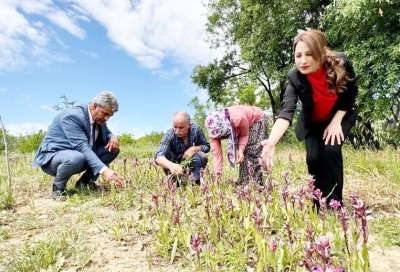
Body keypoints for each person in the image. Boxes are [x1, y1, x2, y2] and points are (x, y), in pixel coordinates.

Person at [261, 29, 358, 205]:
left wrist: (336, 122)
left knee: (331, 150)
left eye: (309, 54)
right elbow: (286, 112)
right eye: (298, 55)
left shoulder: (341, 62)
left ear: (322, 52)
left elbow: (352, 93)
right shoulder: (294, 77)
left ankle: (335, 205)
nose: (303, 61)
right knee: (313, 158)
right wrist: (271, 141)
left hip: (341, 115)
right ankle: (317, 201)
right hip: (314, 122)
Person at [33, 91, 124, 200]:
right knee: (76, 158)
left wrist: (113, 137)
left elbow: (107, 132)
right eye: (105, 114)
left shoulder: (98, 117)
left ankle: (85, 183)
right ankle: (58, 188)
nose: (107, 119)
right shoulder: (72, 116)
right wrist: (105, 171)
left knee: (112, 149)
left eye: (110, 115)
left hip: (79, 154)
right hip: (54, 157)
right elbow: (82, 146)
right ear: (95, 106)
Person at [205, 105, 268, 184]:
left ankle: (256, 182)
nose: (224, 138)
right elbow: (216, 153)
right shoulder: (213, 130)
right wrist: (218, 174)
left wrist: (240, 149)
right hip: (241, 124)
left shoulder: (238, 118)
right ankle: (244, 180)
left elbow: (244, 135)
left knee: (253, 149)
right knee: (245, 154)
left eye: (225, 135)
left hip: (256, 119)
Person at [154, 111, 210, 186]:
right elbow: (158, 156)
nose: (177, 131)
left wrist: (194, 148)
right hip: (175, 163)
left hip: (192, 163)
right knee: (166, 155)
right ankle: (174, 180)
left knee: (201, 155)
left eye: (181, 127)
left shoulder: (196, 130)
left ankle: (196, 179)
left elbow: (206, 146)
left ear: (189, 125)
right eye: (175, 127)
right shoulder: (170, 134)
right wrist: (171, 165)